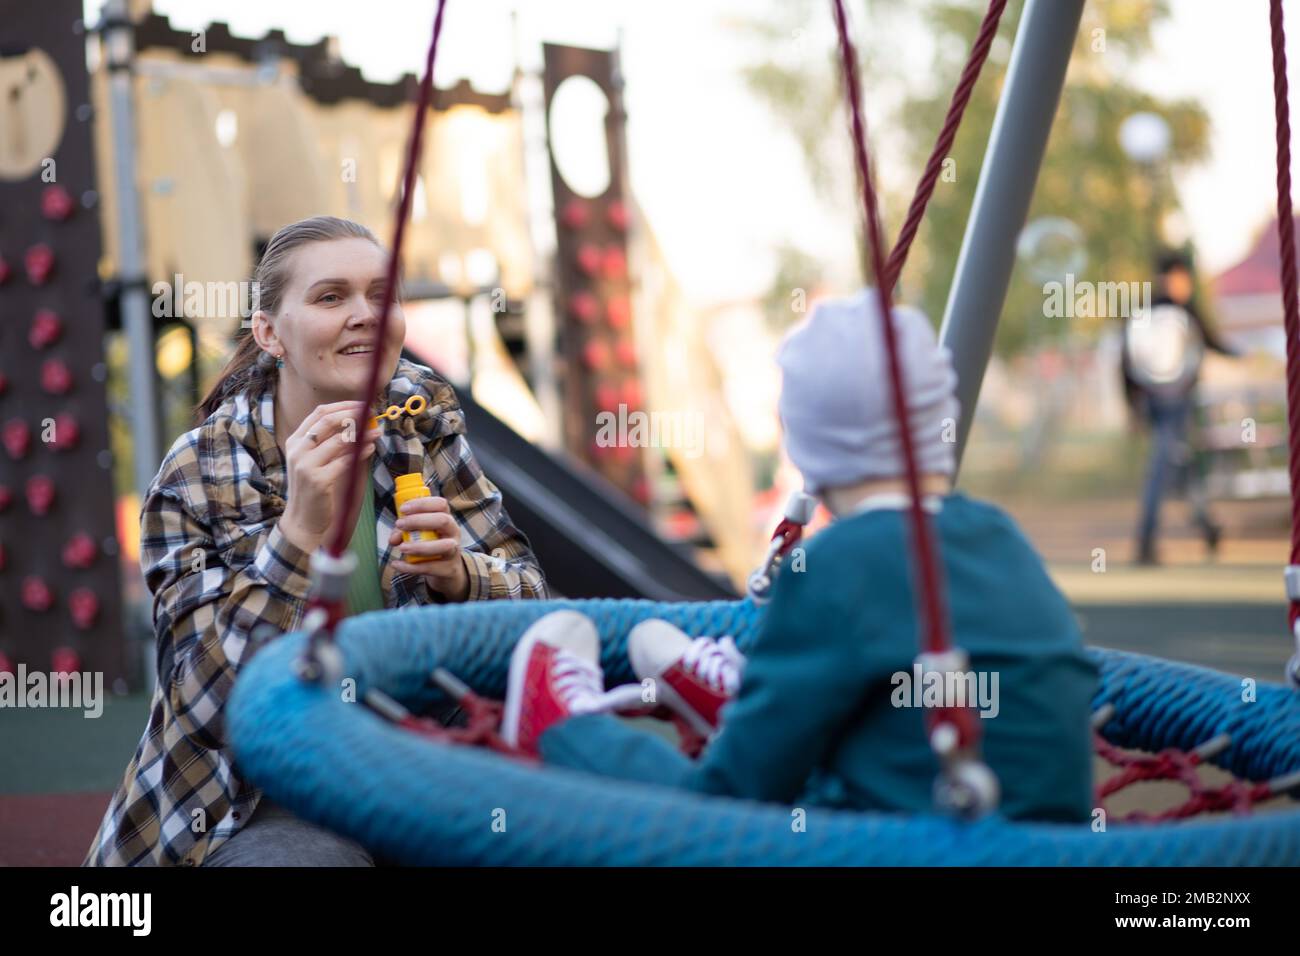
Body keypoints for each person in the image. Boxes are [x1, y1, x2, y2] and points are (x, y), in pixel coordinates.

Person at [500, 291, 1098, 823]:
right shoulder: (1003, 535)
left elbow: (739, 792)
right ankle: (757, 704)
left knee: (709, 799)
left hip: (906, 843)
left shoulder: (841, 564)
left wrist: (577, 740)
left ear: (808, 446)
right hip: (1046, 836)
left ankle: (558, 727)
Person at [86, 216, 549, 867]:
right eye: (331, 297)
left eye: (380, 294)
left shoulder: (423, 423)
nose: (365, 314)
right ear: (270, 333)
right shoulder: (201, 471)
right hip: (260, 793)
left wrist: (462, 575)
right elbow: (207, 707)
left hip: (414, 761)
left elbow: (533, 595)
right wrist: (296, 536)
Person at [1122, 251, 1237, 564]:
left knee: (1181, 467)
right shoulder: (1149, 313)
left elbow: (1210, 341)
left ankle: (1206, 524)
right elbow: (1128, 360)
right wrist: (1132, 407)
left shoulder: (1183, 310)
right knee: (1163, 468)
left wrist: (1240, 354)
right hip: (1163, 405)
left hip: (1182, 403)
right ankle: (1147, 539)